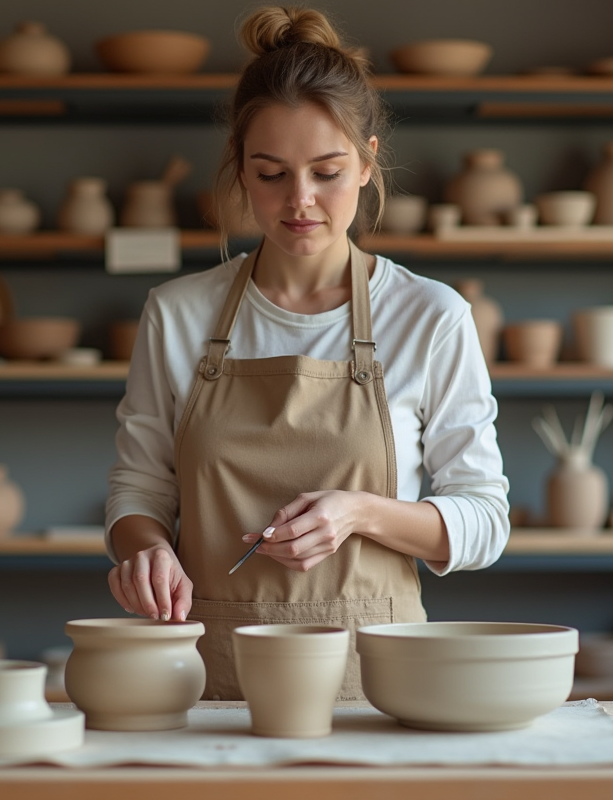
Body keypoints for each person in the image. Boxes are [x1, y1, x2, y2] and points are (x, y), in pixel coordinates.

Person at [105, 6, 509, 700]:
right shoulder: (178, 313)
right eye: (270, 175)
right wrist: (145, 550)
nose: (300, 201)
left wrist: (361, 513)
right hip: (209, 676)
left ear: (367, 162)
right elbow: (139, 491)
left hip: (377, 682)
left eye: (326, 172)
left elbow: (484, 522)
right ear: (239, 168)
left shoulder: (430, 315)